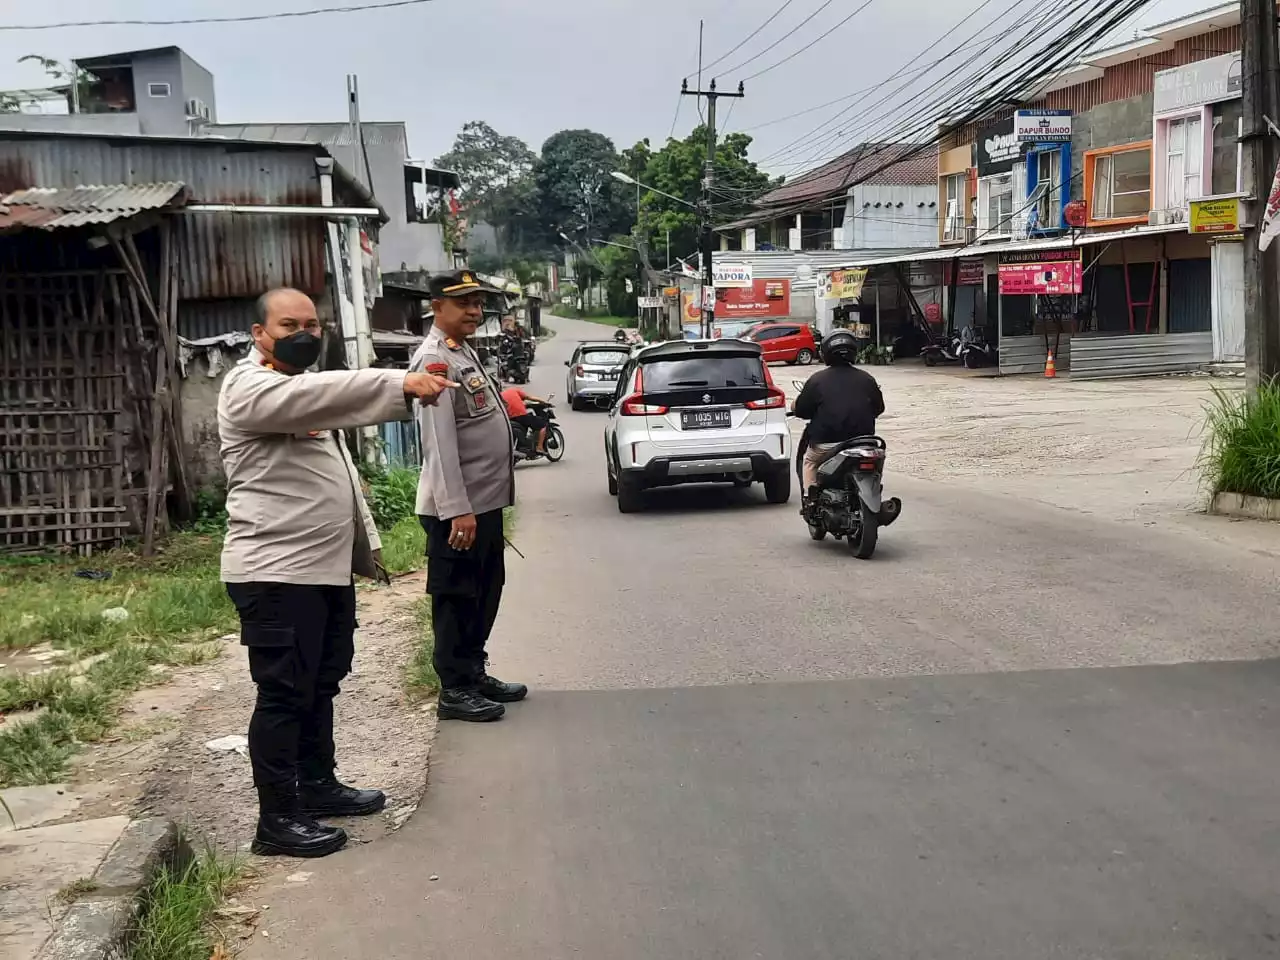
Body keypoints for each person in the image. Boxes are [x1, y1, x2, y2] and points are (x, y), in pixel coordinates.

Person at [219, 287, 456, 859]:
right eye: (288, 324)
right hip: (275, 573)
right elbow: (320, 393)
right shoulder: (249, 388)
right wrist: (396, 382)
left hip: (320, 572)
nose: (304, 333)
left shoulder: (301, 395)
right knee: (283, 693)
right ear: (259, 335)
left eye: (311, 323)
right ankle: (276, 820)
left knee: (321, 681)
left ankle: (318, 784)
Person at [410, 271, 527, 723]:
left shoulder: (463, 352)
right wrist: (458, 509)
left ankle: (474, 671)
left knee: (485, 589)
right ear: (437, 306)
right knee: (457, 596)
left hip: (484, 503)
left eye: (478, 303)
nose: (475, 311)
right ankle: (454, 688)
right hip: (458, 509)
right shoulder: (433, 362)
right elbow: (439, 444)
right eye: (465, 304)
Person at [792, 329, 885, 496]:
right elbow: (879, 408)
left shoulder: (817, 380)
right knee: (877, 459)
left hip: (827, 444)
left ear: (826, 353)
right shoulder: (867, 379)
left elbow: (802, 410)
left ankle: (810, 501)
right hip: (863, 442)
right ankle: (875, 490)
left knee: (810, 462)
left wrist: (794, 406)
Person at [501, 386, 549, 454]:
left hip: (510, 418)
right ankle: (539, 447)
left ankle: (523, 446)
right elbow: (530, 398)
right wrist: (544, 401)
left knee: (525, 425)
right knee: (543, 425)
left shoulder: (501, 395)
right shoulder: (515, 390)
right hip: (521, 416)